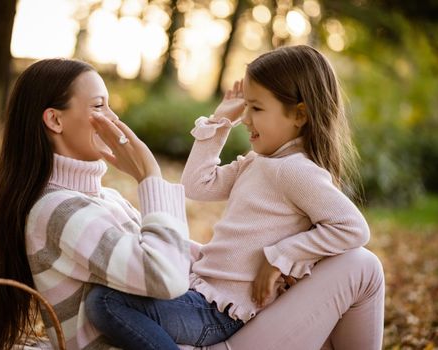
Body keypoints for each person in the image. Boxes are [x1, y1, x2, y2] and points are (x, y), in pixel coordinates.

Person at [85, 45, 385, 350]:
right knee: (107, 297)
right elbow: (197, 185)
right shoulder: (258, 163)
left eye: (256, 108)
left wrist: (282, 255)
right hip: (201, 295)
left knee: (106, 301)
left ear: (299, 114)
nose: (245, 119)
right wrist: (218, 122)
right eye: (246, 107)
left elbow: (353, 228)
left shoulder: (296, 171)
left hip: (218, 312)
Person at [0, 58, 193, 350]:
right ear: (55, 120)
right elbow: (166, 278)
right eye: (98, 106)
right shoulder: (56, 210)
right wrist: (150, 177)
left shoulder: (105, 198)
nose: (113, 118)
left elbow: (187, 259)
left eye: (109, 105)